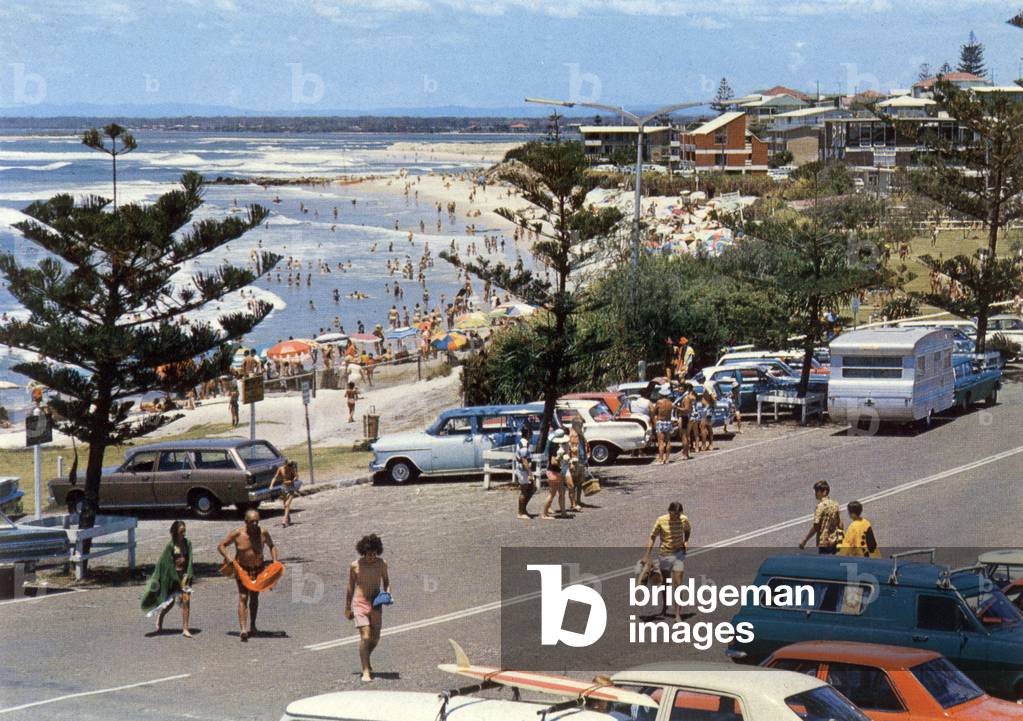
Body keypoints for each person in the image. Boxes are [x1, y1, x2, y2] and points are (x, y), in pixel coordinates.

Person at [218, 509, 278, 642]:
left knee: (255, 597)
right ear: (246, 522)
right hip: (242, 569)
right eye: (252, 522)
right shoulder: (237, 534)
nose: (255, 524)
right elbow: (221, 545)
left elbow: (272, 546)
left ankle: (253, 625)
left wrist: (274, 563)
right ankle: (243, 629)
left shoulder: (263, 533)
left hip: (258, 568)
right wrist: (228, 557)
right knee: (243, 597)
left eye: (257, 521)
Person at [344, 534, 392, 682]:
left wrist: (388, 594)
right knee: (365, 636)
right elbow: (350, 587)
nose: (371, 556)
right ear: (363, 552)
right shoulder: (355, 566)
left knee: (375, 637)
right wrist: (347, 608)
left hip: (376, 603)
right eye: (368, 553)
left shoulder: (382, 563)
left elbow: (387, 581)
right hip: (360, 603)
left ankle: (365, 658)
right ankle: (365, 670)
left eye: (374, 553)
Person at [641, 502, 692, 622]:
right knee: (665, 583)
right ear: (670, 512)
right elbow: (652, 537)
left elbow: (688, 530)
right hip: (665, 554)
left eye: (680, 514)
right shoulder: (661, 520)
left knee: (678, 584)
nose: (678, 517)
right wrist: (646, 555)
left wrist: (686, 541)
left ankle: (677, 614)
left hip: (678, 554)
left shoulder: (683, 520)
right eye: (675, 514)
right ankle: (665, 606)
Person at [141, 520, 193, 637]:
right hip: (172, 577)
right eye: (181, 532)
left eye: (184, 531)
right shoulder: (170, 546)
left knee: (186, 600)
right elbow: (164, 563)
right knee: (170, 603)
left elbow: (190, 560)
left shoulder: (188, 543)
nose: (183, 534)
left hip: (184, 576)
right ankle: (160, 617)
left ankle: (185, 628)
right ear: (175, 532)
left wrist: (188, 574)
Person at [799, 480, 844, 554]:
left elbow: (816, 526)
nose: (815, 493)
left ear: (824, 492)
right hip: (835, 541)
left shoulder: (820, 506)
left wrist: (805, 540)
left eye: (817, 491)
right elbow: (840, 525)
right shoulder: (835, 504)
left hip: (824, 542)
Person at [541, 429, 570, 519]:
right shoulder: (555, 447)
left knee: (562, 492)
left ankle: (563, 513)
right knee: (552, 494)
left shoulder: (556, 445)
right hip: (553, 472)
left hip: (557, 472)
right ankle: (544, 514)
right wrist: (562, 459)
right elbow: (553, 462)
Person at [269, 461, 300, 528]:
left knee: (287, 504)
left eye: (289, 467)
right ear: (285, 465)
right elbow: (275, 477)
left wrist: (293, 480)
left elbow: (296, 477)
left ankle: (284, 520)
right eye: (286, 467)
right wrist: (271, 485)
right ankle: (287, 518)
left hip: (291, 488)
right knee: (285, 505)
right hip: (284, 487)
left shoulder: (292, 469)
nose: (287, 469)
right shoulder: (281, 469)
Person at [567, 417, 587, 512]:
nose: (582, 427)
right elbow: (572, 450)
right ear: (575, 425)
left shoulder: (580, 434)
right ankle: (574, 502)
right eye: (580, 425)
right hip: (575, 461)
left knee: (580, 482)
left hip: (581, 460)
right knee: (574, 483)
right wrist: (572, 462)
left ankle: (578, 500)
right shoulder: (573, 435)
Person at [515, 426, 534, 519]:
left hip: (523, 470)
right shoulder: (524, 444)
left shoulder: (522, 442)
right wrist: (529, 473)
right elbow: (524, 460)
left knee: (531, 488)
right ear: (528, 433)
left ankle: (523, 509)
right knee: (524, 491)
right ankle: (520, 512)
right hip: (523, 471)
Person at [653, 384, 674, 465]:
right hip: (668, 422)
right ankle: (667, 459)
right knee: (668, 441)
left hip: (660, 422)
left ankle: (661, 459)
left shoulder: (659, 402)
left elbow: (654, 412)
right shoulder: (670, 403)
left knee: (661, 442)